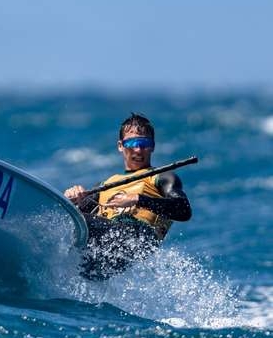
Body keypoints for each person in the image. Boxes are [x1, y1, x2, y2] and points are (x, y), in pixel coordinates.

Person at [64, 113, 192, 280]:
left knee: (71, 223)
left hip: (137, 238)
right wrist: (73, 197)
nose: (138, 150)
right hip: (105, 253)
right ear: (120, 146)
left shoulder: (161, 177)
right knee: (64, 224)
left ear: (152, 147)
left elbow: (183, 209)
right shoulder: (106, 184)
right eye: (132, 143)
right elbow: (74, 216)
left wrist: (138, 199)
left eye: (144, 144)